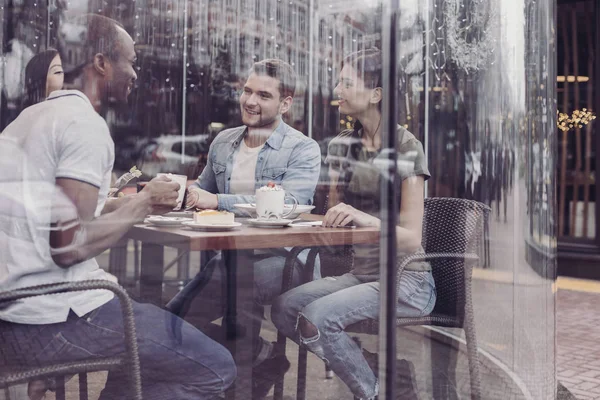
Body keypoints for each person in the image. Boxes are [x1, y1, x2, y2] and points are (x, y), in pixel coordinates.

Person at [0, 14, 235, 400]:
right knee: (216, 367)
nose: (135, 73)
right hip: (52, 319)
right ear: (101, 63)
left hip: (14, 313)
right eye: (131, 61)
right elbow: (67, 246)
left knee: (154, 352)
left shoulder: (28, 119)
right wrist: (142, 201)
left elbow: (44, 216)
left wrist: (115, 208)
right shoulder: (83, 125)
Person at [271, 48, 437, 400]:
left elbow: (410, 238)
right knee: (284, 308)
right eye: (338, 81)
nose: (338, 89)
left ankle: (375, 393)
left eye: (347, 83)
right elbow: (333, 220)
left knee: (317, 317)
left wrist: (363, 217)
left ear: (376, 94)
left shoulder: (407, 147)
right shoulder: (342, 146)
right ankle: (380, 373)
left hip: (407, 279)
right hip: (362, 273)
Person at [167, 58, 321, 398]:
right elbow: (201, 194)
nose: (250, 101)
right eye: (247, 91)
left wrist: (217, 202)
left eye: (263, 95)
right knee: (174, 319)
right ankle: (262, 356)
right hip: (231, 257)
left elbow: (291, 202)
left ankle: (239, 380)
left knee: (235, 292)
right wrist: (175, 193)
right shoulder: (224, 141)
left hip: (285, 259)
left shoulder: (303, 149)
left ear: (285, 103)